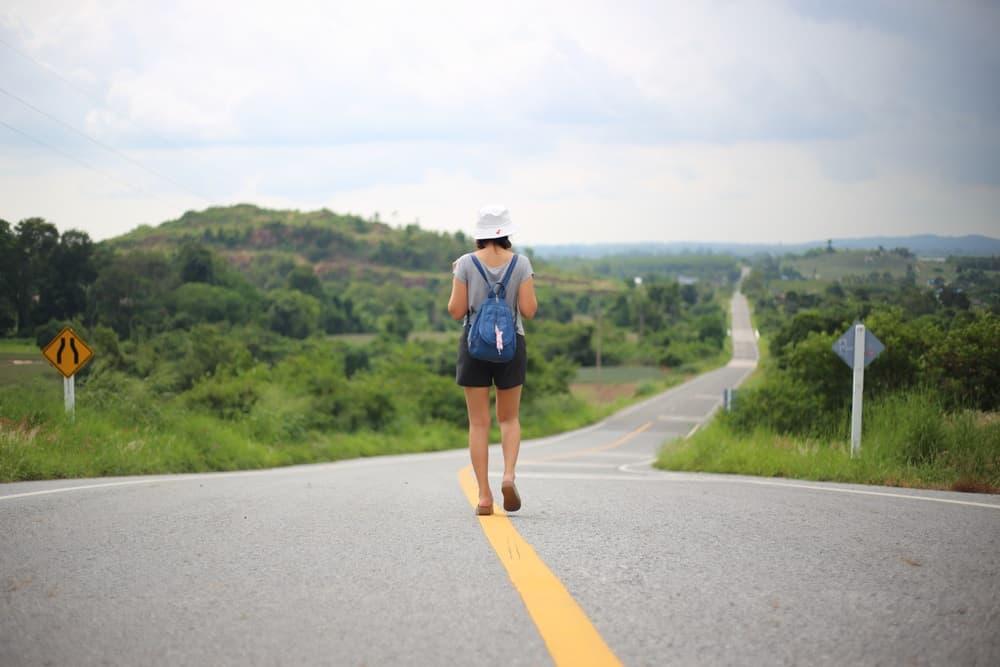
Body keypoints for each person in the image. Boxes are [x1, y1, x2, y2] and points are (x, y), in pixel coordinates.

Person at [447, 205, 537, 516]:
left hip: (474, 346)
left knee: (478, 422)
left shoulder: (466, 264)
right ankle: (509, 476)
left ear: (479, 235)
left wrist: (457, 276)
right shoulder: (522, 264)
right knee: (508, 418)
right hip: (511, 346)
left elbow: (456, 311)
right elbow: (529, 309)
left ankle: (484, 496)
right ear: (507, 232)